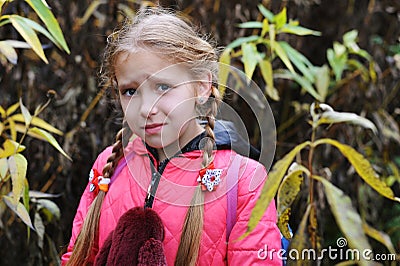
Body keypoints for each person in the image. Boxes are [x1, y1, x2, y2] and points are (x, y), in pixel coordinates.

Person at [62, 8, 282, 265]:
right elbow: (75, 257)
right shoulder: (110, 166)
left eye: (163, 87)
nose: (146, 109)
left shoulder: (243, 180)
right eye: (131, 91)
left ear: (201, 86)